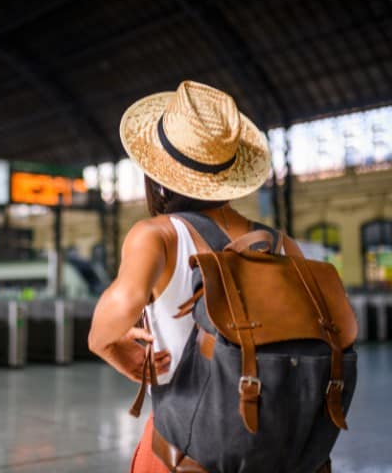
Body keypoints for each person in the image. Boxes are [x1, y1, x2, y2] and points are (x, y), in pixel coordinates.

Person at [88, 80, 278, 472]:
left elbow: (108, 324)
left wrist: (114, 348)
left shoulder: (157, 235)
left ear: (156, 169)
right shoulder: (276, 244)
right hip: (270, 447)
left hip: (185, 448)